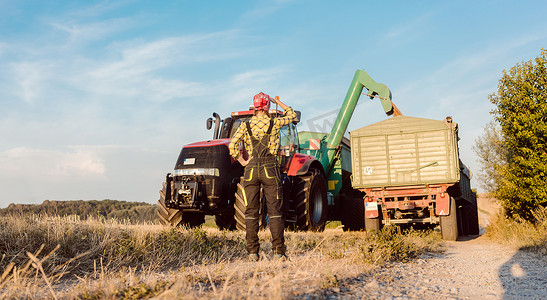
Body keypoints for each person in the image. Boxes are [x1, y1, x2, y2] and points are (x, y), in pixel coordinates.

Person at [229, 92, 297, 261]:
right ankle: (279, 252)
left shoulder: (246, 125)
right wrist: (278, 102)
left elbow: (232, 145)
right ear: (267, 107)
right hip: (270, 168)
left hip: (251, 169)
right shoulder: (274, 122)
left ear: (254, 107)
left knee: (251, 212)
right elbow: (292, 115)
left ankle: (252, 253)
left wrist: (243, 161)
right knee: (275, 211)